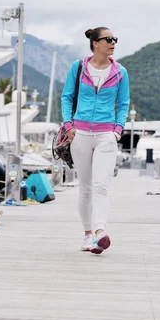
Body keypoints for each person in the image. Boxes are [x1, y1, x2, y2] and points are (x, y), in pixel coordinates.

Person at [61, 27, 130, 254]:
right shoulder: (78, 67)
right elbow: (67, 97)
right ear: (95, 43)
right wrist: (68, 126)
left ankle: (100, 232)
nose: (113, 43)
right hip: (79, 134)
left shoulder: (120, 72)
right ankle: (88, 235)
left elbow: (123, 103)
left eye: (115, 39)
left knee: (102, 186)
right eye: (108, 39)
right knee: (86, 188)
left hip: (106, 135)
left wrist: (117, 130)